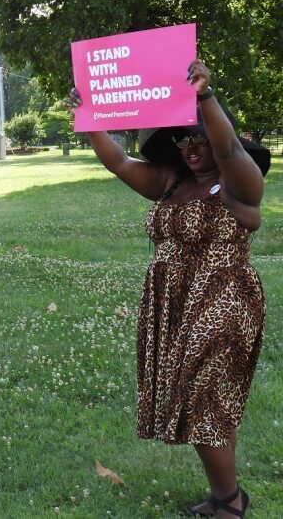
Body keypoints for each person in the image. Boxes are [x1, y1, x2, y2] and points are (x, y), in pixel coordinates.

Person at [68, 60, 269, 518]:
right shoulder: (170, 181)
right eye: (181, 138)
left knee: (201, 399)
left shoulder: (237, 184)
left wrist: (204, 97)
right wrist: (89, 117)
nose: (190, 147)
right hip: (175, 302)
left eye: (197, 137)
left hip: (224, 299)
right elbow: (118, 161)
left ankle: (231, 502)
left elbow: (233, 152)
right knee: (208, 401)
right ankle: (225, 495)